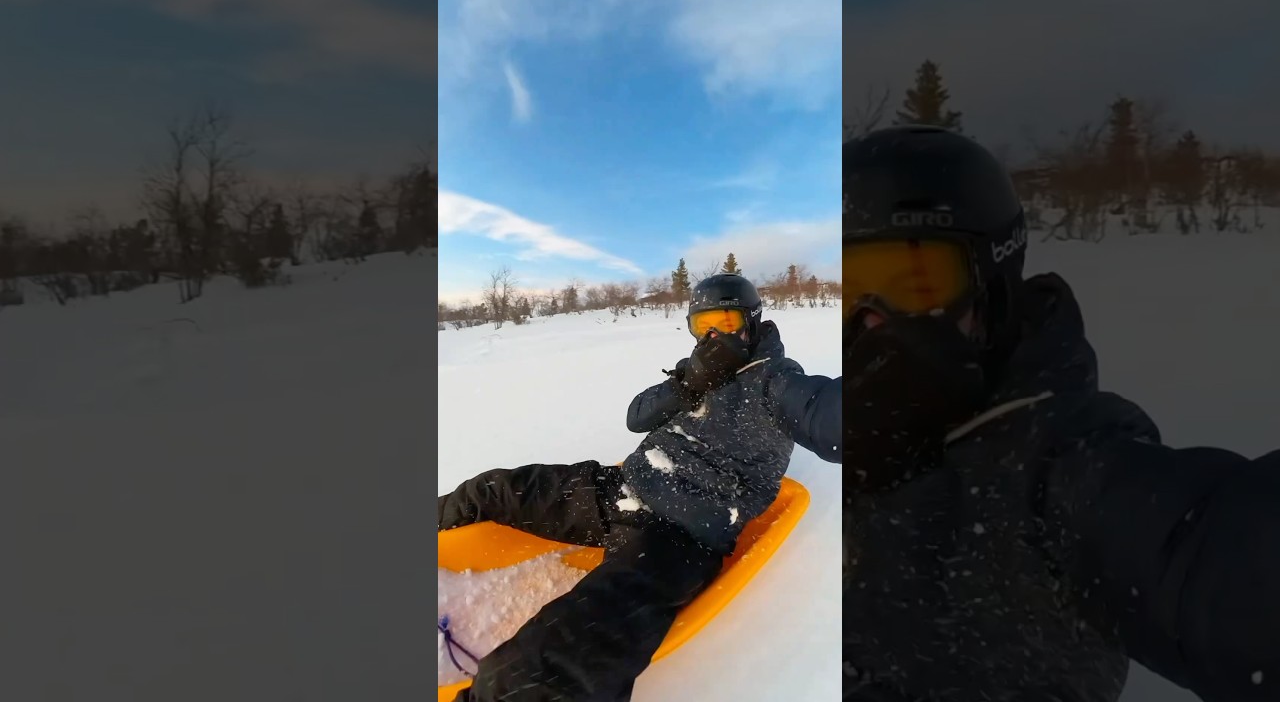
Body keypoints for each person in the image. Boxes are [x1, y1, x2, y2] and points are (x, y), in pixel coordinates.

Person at [842, 124, 1280, 702]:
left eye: (917, 284)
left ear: (991, 284)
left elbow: (1211, 554)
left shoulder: (1056, 461)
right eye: (853, 294)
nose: (874, 323)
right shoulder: (849, 420)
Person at [438, 273, 812, 702]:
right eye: (702, 325)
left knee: (547, 667)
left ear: (750, 321)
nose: (713, 335)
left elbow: (823, 411)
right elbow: (637, 417)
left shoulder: (777, 382)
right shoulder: (701, 368)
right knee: (493, 489)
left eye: (725, 323)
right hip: (622, 488)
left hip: (676, 537)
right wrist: (689, 382)